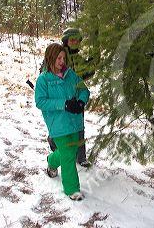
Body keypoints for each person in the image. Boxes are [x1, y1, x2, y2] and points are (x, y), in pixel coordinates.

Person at [35, 43, 90, 200]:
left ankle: (52, 161)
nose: (61, 61)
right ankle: (72, 190)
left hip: (74, 122)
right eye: (58, 58)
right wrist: (63, 103)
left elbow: (84, 90)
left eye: (63, 58)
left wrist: (80, 102)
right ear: (50, 58)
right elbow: (40, 102)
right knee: (67, 154)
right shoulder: (43, 80)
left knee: (70, 151)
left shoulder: (70, 75)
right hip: (57, 124)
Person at [47, 28, 94, 167]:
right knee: (59, 126)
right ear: (66, 41)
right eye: (71, 39)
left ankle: (81, 157)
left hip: (76, 99)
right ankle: (55, 144)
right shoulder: (59, 55)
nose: (74, 42)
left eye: (77, 40)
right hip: (60, 100)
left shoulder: (78, 58)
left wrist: (91, 64)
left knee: (79, 127)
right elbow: (47, 73)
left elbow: (86, 75)